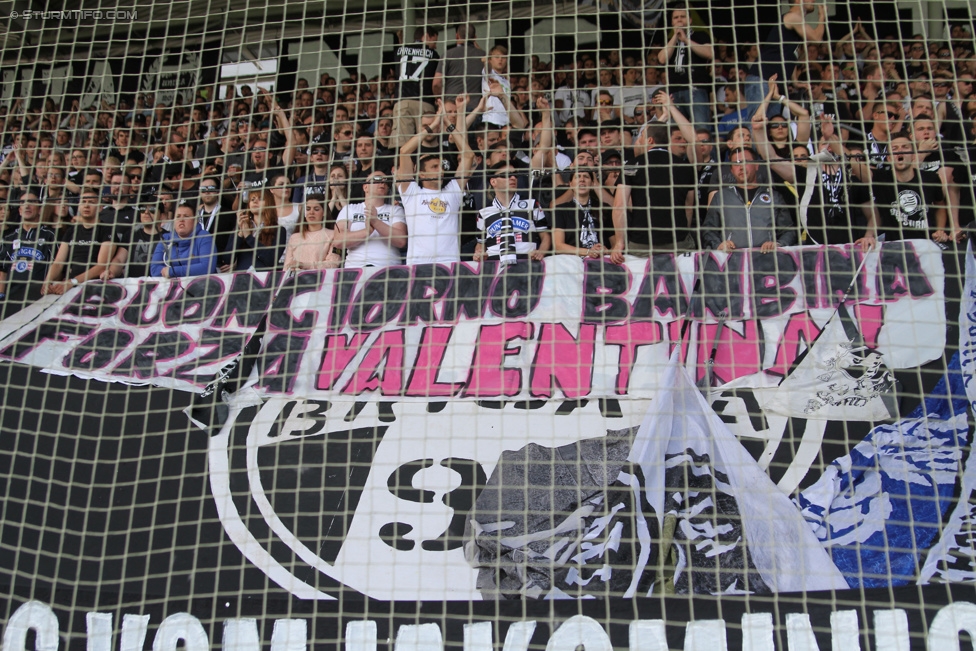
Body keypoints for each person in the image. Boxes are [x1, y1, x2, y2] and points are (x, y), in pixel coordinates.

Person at [396, 95, 474, 265]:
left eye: (441, 166)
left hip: (449, 265)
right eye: (434, 167)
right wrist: (432, 126)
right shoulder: (411, 192)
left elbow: (468, 155)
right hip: (418, 266)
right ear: (421, 174)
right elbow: (404, 151)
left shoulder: (452, 191)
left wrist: (447, 124)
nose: (441, 170)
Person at [856, 131, 953, 248]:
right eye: (895, 148)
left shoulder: (930, 178)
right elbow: (854, 165)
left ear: (913, 155)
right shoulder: (881, 179)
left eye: (905, 147)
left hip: (926, 247)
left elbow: (940, 205)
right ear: (889, 158)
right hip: (895, 248)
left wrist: (940, 230)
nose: (900, 151)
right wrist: (832, 139)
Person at [701, 147, 797, 252]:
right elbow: (708, 230)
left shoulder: (774, 197)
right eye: (736, 163)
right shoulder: (721, 197)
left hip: (768, 261)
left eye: (745, 162)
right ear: (731, 170)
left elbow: (789, 231)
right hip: (733, 262)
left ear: (756, 165)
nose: (741, 167)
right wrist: (718, 244)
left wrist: (778, 244)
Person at [473, 161, 550, 264]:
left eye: (515, 175)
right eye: (506, 175)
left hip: (527, 264)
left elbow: (545, 236)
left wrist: (540, 252)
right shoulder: (483, 212)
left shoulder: (531, 204)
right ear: (493, 182)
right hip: (495, 267)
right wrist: (479, 254)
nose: (513, 178)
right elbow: (481, 244)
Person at [41, 188, 114, 295]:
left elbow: (102, 266)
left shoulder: (107, 230)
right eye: (83, 202)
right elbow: (58, 262)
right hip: (70, 286)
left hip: (94, 285)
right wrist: (47, 282)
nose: (86, 205)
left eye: (91, 202)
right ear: (79, 206)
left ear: (100, 208)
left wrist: (73, 281)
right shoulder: (71, 231)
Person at [0, 189, 58, 318]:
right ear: (19, 210)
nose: (27, 205)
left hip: (38, 296)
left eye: (31, 202)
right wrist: (1, 294)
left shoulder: (50, 235)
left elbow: (58, 265)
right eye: (23, 202)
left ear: (39, 209)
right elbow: (2, 270)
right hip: (11, 297)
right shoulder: (9, 238)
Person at [334, 172, 407, 268]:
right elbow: (338, 241)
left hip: (388, 269)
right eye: (377, 179)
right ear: (365, 187)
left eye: (387, 181)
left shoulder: (396, 210)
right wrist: (367, 231)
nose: (383, 183)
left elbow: (401, 241)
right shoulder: (350, 209)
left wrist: (375, 222)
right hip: (355, 269)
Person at [657, 4, 713, 127]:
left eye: (683, 17)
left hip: (695, 88)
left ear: (690, 20)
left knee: (701, 126)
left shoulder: (700, 35)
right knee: (675, 128)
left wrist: (686, 40)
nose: (679, 20)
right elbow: (661, 58)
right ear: (671, 21)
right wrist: (674, 38)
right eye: (676, 17)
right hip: (674, 90)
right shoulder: (669, 40)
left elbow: (709, 53)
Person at [392, 26, 441, 150]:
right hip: (425, 102)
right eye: (434, 41)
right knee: (427, 141)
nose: (434, 46)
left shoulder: (400, 50)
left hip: (403, 102)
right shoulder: (434, 55)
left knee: (403, 145)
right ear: (426, 36)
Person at [221, 187, 287, 272]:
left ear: (269, 203)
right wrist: (240, 235)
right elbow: (227, 259)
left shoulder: (279, 230)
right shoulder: (241, 227)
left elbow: (271, 260)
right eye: (252, 199)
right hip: (242, 280)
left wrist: (249, 237)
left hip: (265, 281)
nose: (255, 201)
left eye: (260, 198)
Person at [150, 201, 216, 278]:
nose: (181, 220)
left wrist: (172, 271)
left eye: (186, 216)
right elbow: (154, 270)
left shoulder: (204, 237)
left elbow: (207, 268)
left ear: (195, 221)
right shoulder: (165, 239)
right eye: (178, 216)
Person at [551, 169, 607, 258]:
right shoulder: (561, 210)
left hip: (601, 260)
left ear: (592, 183)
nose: (582, 180)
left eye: (586, 177)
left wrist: (606, 250)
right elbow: (558, 246)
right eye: (577, 177)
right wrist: (588, 252)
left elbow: (615, 244)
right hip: (571, 261)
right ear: (571, 184)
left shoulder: (604, 208)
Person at [283, 193, 342, 271]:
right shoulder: (294, 237)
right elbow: (286, 267)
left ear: (324, 212)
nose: (311, 212)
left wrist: (304, 265)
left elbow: (333, 264)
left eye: (316, 209)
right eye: (308, 209)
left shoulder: (333, 235)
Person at [432, 23, 485, 111]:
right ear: (475, 37)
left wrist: (439, 100)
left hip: (452, 107)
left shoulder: (448, 54)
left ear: (457, 36)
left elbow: (437, 83)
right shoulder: (483, 56)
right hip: (475, 108)